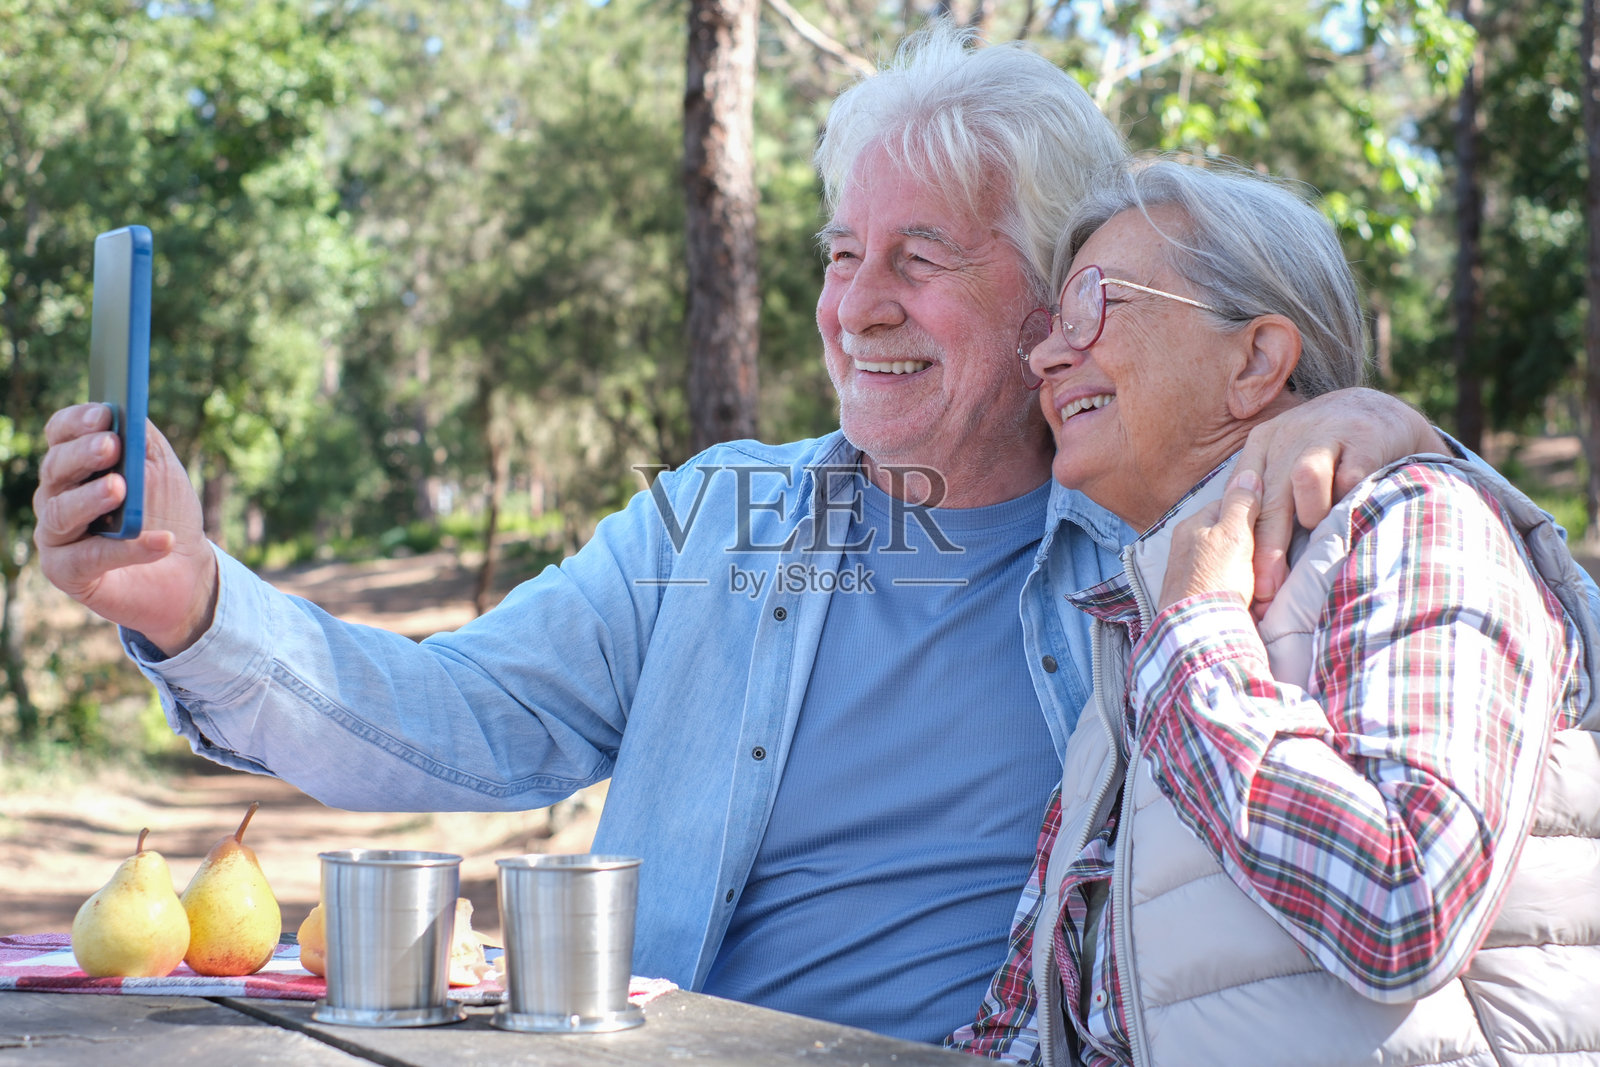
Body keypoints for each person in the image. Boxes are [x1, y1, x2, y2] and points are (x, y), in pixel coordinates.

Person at [34, 24, 1505, 1044]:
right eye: (840, 252)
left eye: (920, 259)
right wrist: (200, 603)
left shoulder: (1170, 537)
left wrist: (1399, 431)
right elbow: (460, 717)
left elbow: (1496, 665)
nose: (857, 303)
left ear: (1057, 298)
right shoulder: (725, 512)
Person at [947, 157, 1600, 1066]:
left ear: (1255, 359)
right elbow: (1022, 1032)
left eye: (1095, 304)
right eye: (1052, 324)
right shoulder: (1143, 622)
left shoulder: (1412, 520)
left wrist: (1193, 642)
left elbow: (1404, 899)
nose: (1049, 355)